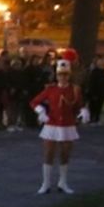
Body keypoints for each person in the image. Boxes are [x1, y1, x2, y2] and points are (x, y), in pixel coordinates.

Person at [31, 51, 88, 194]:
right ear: (56, 75)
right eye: (60, 74)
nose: (62, 77)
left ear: (69, 75)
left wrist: (84, 111)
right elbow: (34, 102)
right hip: (52, 124)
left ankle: (62, 182)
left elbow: (78, 105)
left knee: (65, 154)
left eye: (65, 74)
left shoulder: (75, 90)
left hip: (68, 125)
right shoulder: (50, 89)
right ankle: (46, 183)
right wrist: (41, 112)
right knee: (49, 153)